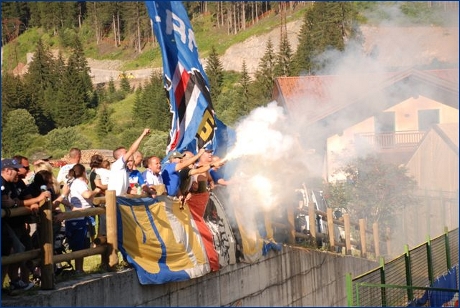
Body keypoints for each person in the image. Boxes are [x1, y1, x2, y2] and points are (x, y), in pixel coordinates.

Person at [1, 158, 51, 291]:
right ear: (6, 170)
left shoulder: (12, 183)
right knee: (10, 253)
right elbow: (6, 202)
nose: (19, 172)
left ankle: (18, 281)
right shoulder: (3, 182)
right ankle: (15, 282)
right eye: (15, 170)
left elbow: (16, 199)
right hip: (8, 224)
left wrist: (24, 202)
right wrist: (36, 199)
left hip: (16, 224)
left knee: (17, 251)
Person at [64, 164, 101, 273]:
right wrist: (96, 191)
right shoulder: (79, 183)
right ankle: (79, 269)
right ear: (83, 172)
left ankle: (79, 269)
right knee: (80, 245)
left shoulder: (70, 182)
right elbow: (87, 195)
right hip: (80, 217)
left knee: (78, 244)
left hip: (73, 217)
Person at [108, 128, 150, 196]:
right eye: (126, 152)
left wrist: (139, 193)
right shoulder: (117, 165)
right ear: (120, 155)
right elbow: (132, 150)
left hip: (120, 199)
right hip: (114, 200)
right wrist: (143, 135)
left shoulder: (124, 170)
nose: (128, 154)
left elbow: (127, 189)